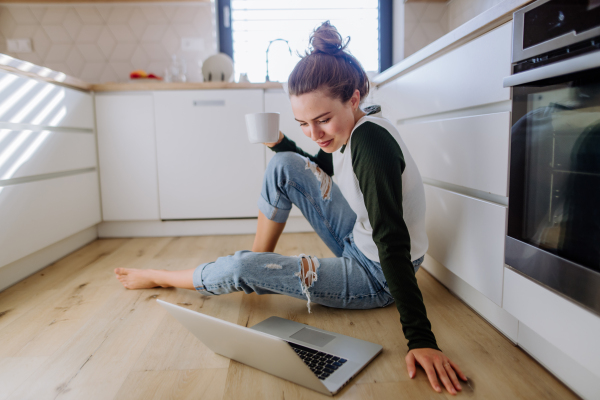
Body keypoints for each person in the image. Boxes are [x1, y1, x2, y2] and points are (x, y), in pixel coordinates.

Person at [115, 21, 467, 395]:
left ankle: (169, 276)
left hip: (379, 273)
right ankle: (258, 261)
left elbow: (392, 242)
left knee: (240, 267)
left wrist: (421, 339)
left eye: (322, 120)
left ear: (354, 97)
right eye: (303, 123)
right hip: (358, 238)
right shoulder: (355, 126)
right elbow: (315, 169)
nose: (314, 133)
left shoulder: (371, 147)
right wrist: (281, 142)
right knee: (282, 165)